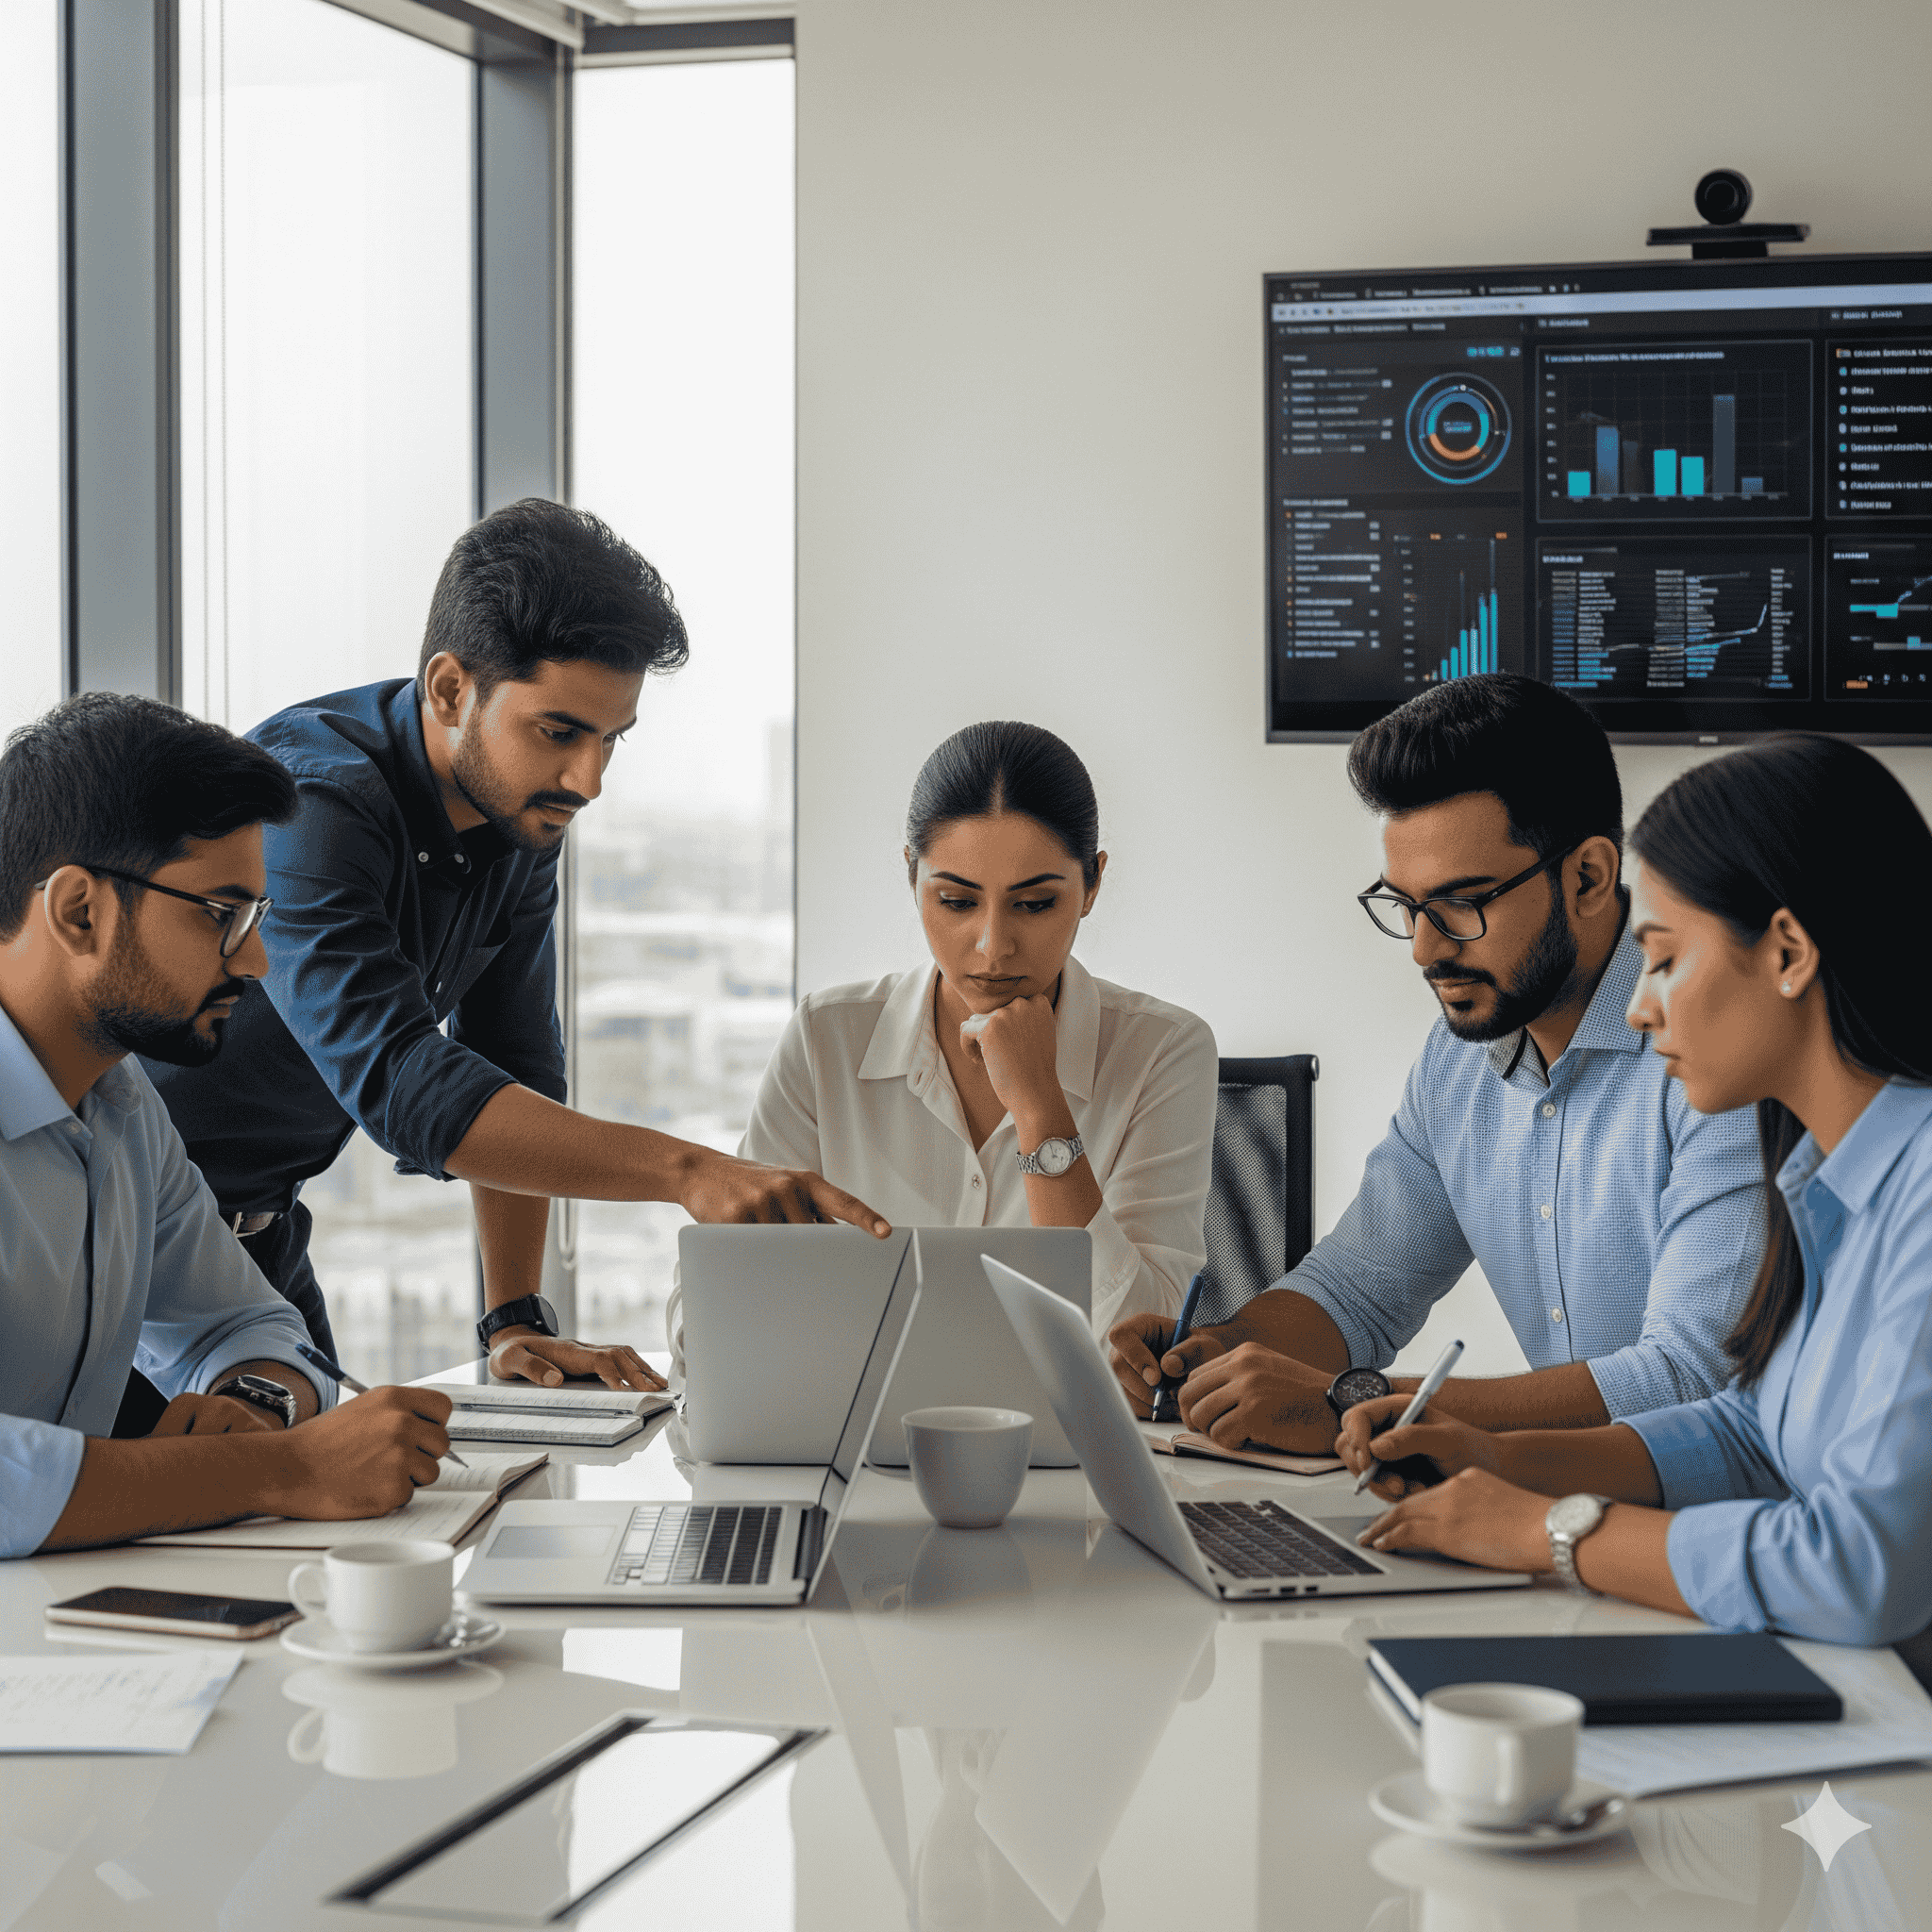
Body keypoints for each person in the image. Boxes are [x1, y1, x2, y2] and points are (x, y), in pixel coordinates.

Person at [143, 500, 889, 1409]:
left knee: (336, 1508)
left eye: (612, 740)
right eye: (560, 731)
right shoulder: (315, 806)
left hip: (257, 1245)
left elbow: (512, 1061)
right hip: (123, 1232)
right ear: (452, 689)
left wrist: (514, 1322)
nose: (590, 782)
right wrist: (691, 1170)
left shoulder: (521, 818)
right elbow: (403, 1083)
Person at [1336, 735, 1932, 1646]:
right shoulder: (1828, 1180)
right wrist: (1503, 1461)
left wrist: (1547, 1531)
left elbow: (1859, 1570)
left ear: (1787, 953)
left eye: (1662, 958)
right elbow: (1751, 1436)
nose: (1642, 1005)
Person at [1110, 673, 1765, 1451]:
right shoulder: (1458, 1064)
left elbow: (1695, 1377)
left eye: (1462, 903)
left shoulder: (1720, 1053)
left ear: (1588, 876)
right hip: (1571, 1505)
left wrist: (1353, 1402)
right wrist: (1220, 1353)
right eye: (1407, 906)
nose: (1426, 948)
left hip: (1733, 1529)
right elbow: (1358, 1289)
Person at [1, 694, 451, 1557]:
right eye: (220, 914)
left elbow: (231, 1323)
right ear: (78, 911)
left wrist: (260, 1407)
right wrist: (284, 1469)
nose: (254, 960)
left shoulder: (124, 1109)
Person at [670, 721, 1217, 1359]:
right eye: (957, 901)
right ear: (912, 877)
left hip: (1067, 1452)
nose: (993, 946)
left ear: (1092, 884)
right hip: (854, 1438)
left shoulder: (1164, 1051)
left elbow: (1141, 1344)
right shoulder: (828, 1038)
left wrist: (1041, 1107)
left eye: (1035, 904)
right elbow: (703, 1320)